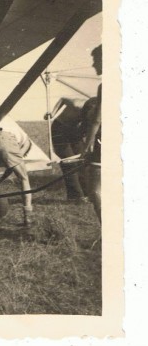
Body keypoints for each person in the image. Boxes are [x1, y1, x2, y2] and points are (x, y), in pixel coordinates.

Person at [45, 97, 88, 201]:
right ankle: (75, 197)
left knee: (83, 161)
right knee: (69, 162)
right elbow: (62, 99)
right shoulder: (76, 103)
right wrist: (53, 112)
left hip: (76, 131)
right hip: (60, 129)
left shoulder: (98, 111)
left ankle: (87, 194)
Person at [81, 45, 102, 222]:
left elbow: (97, 120)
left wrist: (88, 145)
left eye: (96, 60)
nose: (94, 65)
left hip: (105, 143)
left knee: (95, 190)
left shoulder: (106, 86)